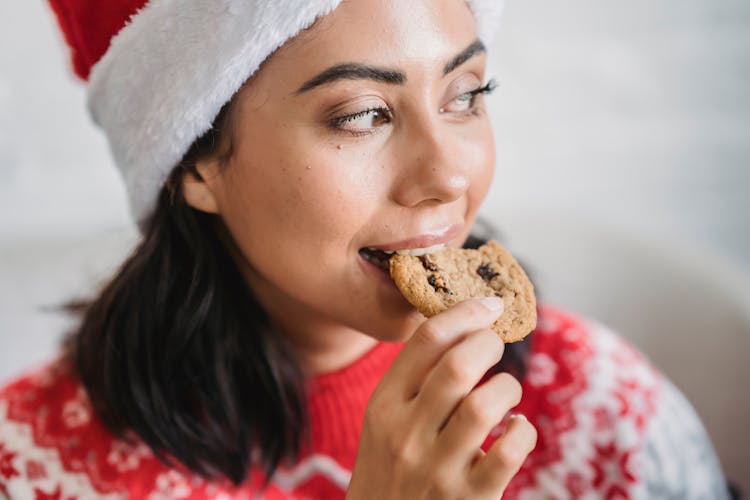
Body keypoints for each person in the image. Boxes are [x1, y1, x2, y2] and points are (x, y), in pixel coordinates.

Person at [0, 0, 732, 498]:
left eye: (467, 95)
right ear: (195, 163)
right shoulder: (33, 467)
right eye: (362, 115)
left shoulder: (603, 412)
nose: (447, 175)